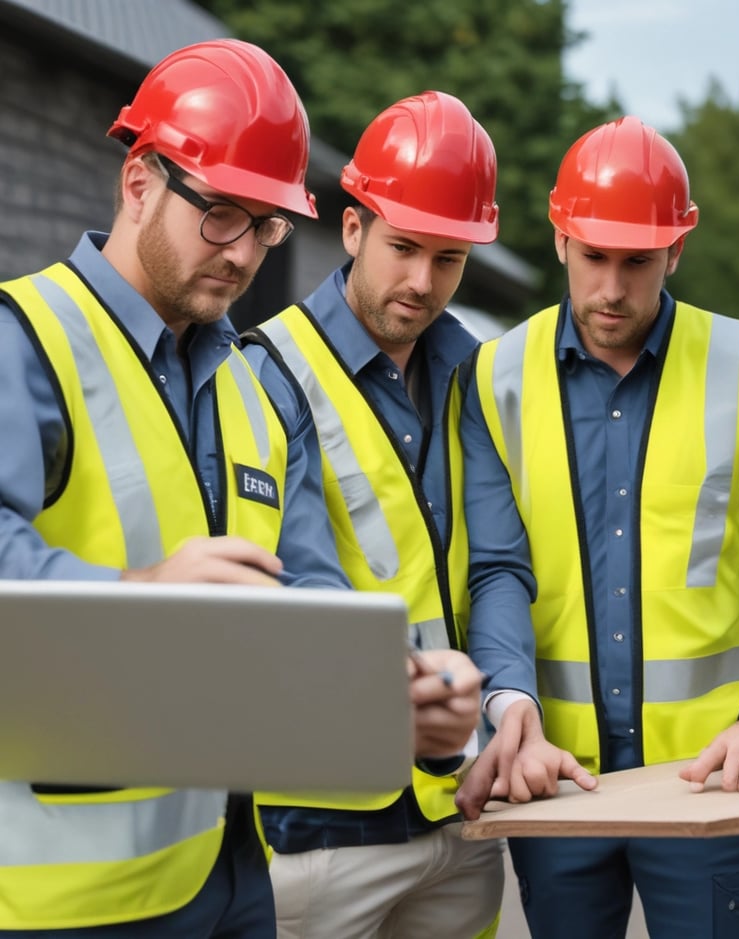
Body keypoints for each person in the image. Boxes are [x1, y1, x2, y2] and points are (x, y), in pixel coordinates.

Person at [0, 38, 352, 938]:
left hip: (236, 875)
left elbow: (307, 586)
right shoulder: (24, 342)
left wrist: (392, 686)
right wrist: (138, 597)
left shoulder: (257, 387)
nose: (245, 254)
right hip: (70, 901)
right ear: (139, 180)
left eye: (269, 224)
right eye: (223, 214)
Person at [456, 114, 739, 938]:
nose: (612, 289)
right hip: (557, 781)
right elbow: (498, 567)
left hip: (718, 784)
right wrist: (509, 695)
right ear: (559, 237)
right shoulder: (494, 377)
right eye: (594, 255)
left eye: (639, 261)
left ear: (679, 247)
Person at [244, 90, 505, 939]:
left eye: (449, 258)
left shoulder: (475, 374)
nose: (423, 282)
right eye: (403, 247)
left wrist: (501, 710)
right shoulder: (268, 370)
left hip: (458, 817)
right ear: (352, 227)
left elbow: (498, 559)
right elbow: (299, 573)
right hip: (325, 826)